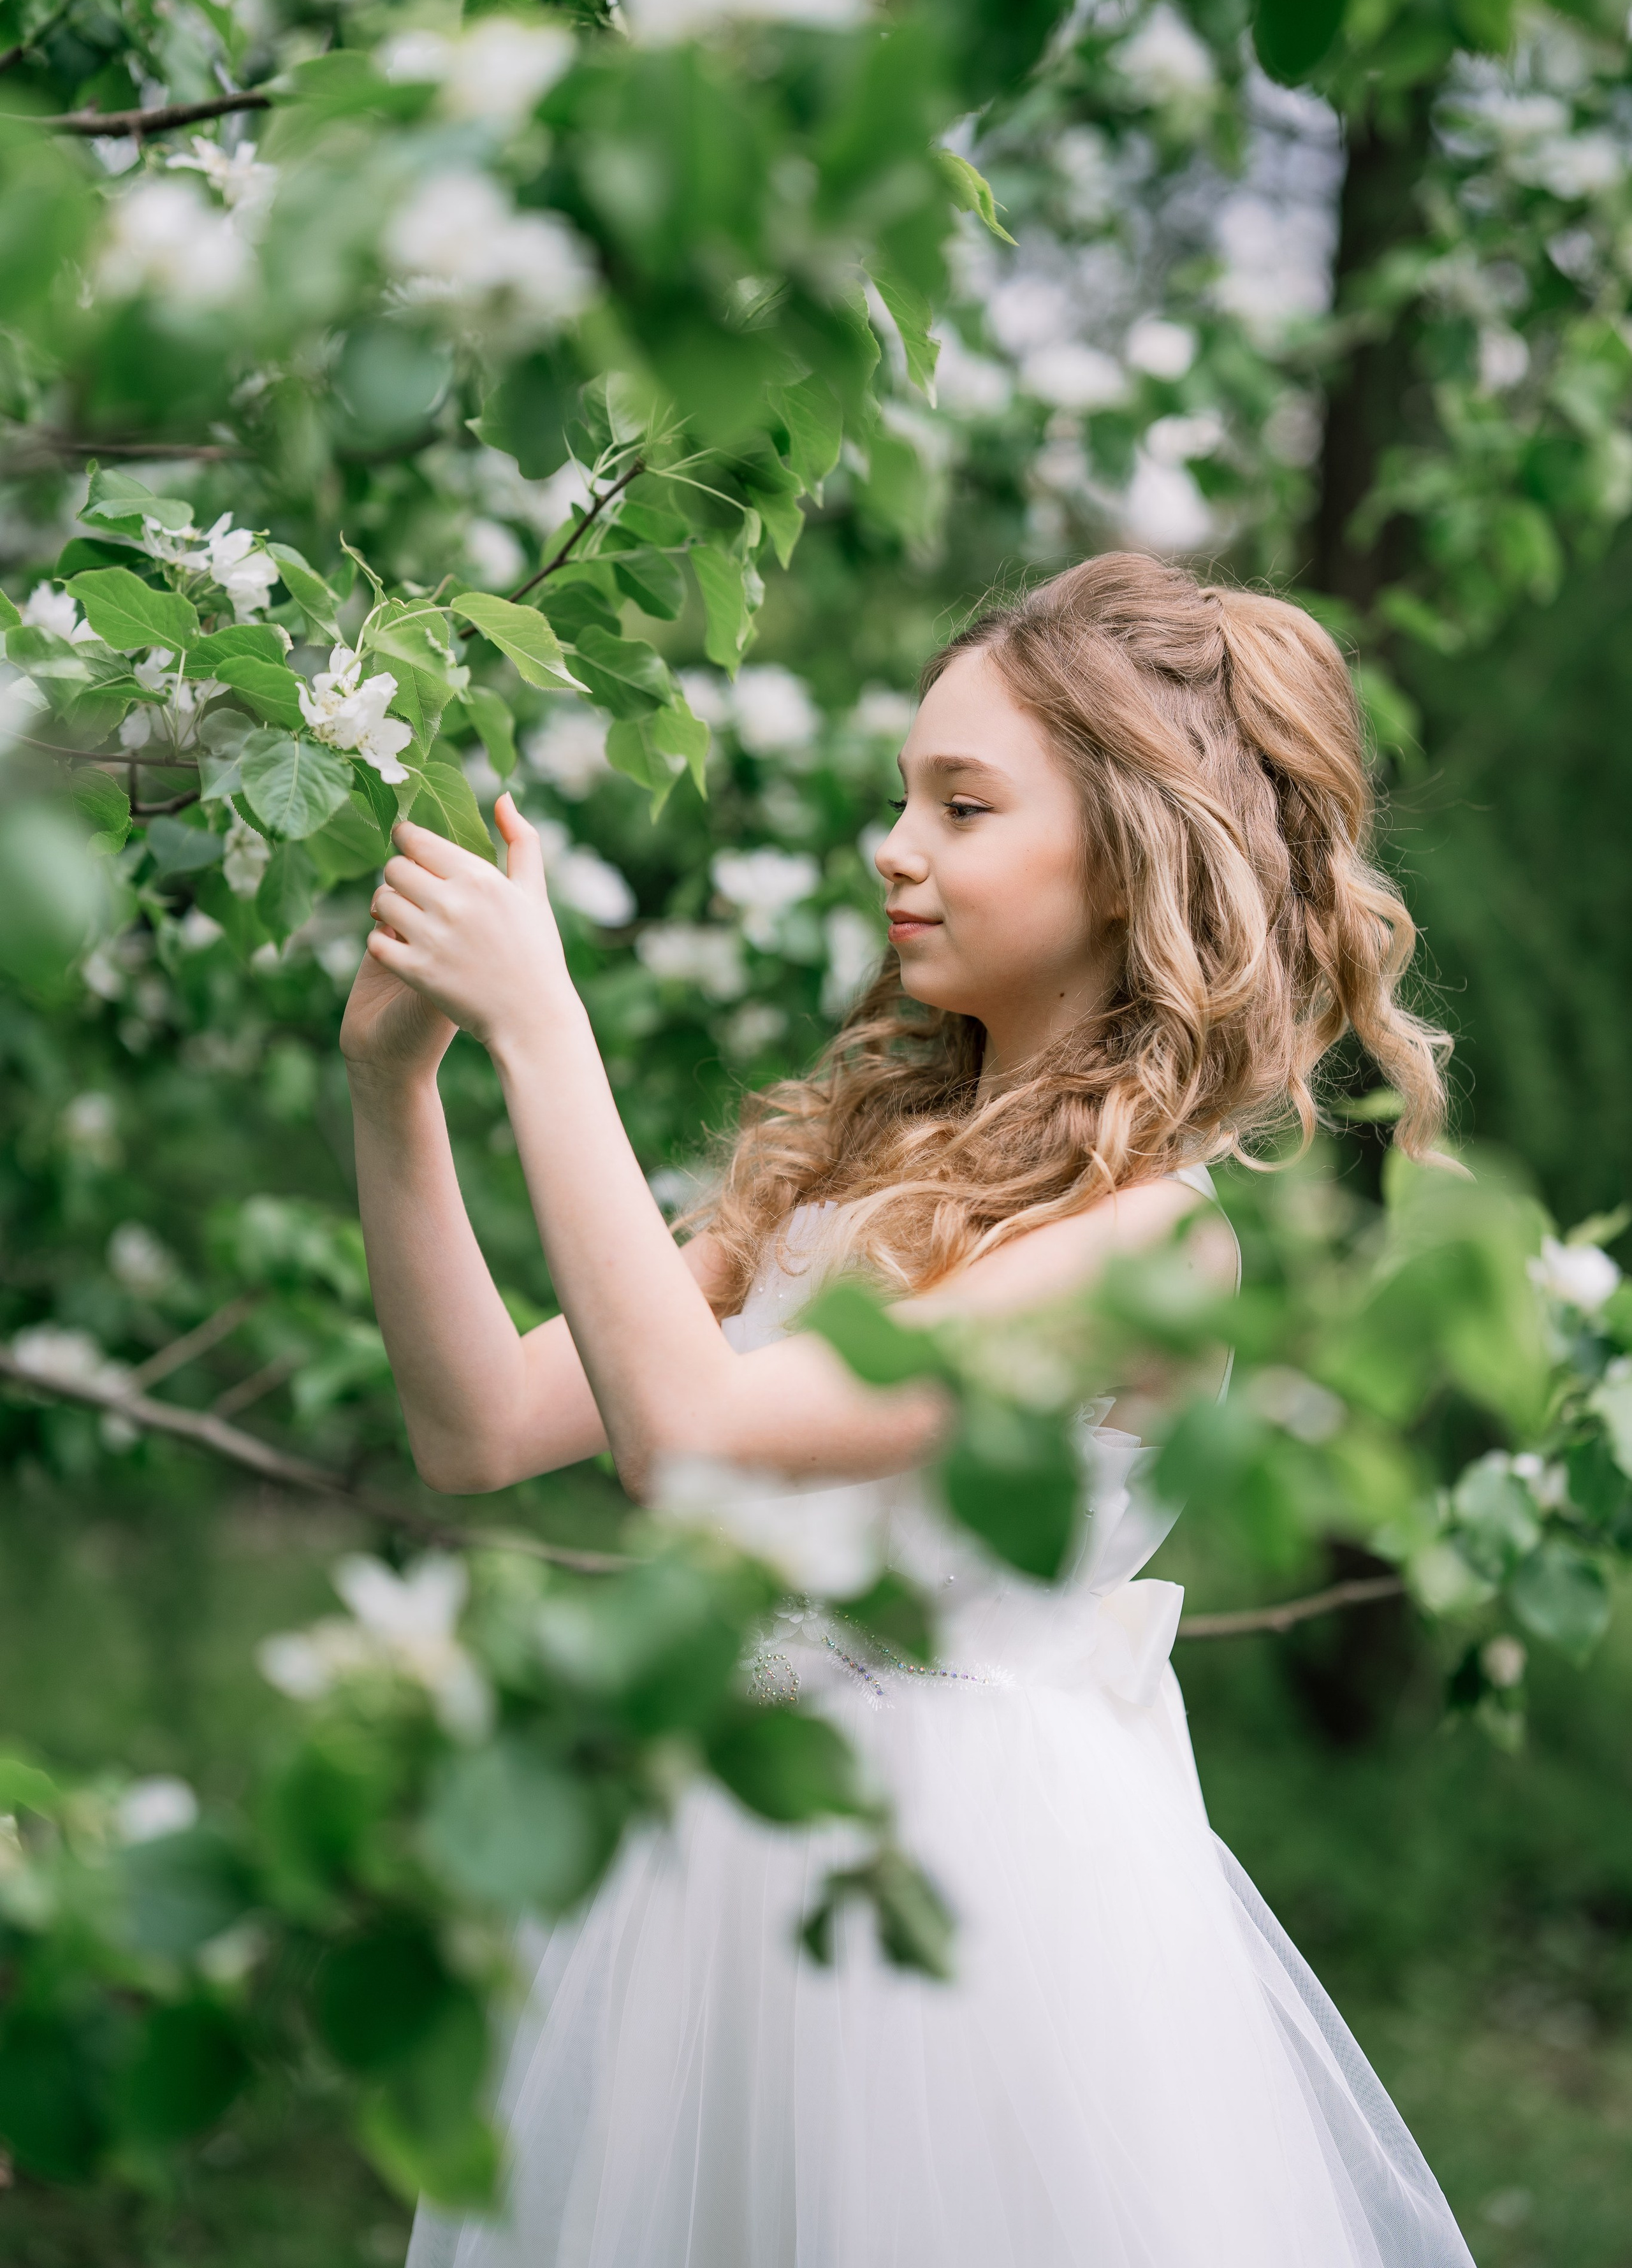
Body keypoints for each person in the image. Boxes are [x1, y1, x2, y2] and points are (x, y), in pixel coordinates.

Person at [344, 552, 1473, 2267]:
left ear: (1125, 853)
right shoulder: (841, 1163)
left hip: (966, 1909)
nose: (897, 845)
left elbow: (691, 1435)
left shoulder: (1147, 1239)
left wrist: (542, 1020)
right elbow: (484, 1424)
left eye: (963, 804)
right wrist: (395, 1082)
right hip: (707, 1873)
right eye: (902, 796)